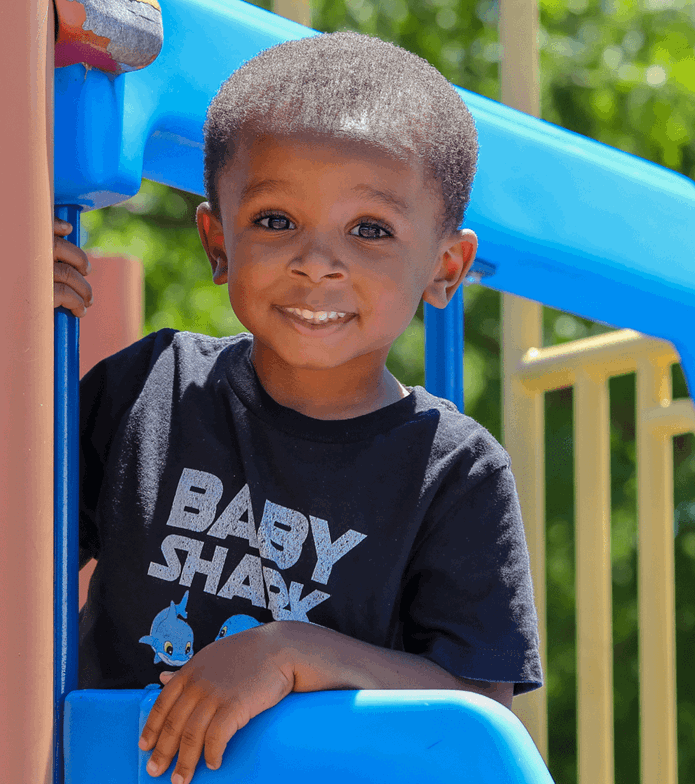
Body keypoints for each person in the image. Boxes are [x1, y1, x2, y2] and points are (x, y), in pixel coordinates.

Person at [53, 31, 542, 784]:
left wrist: (293, 652)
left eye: (370, 230)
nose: (318, 262)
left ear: (446, 269)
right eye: (276, 221)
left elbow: (478, 712)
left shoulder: (455, 472)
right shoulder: (149, 389)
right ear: (218, 243)